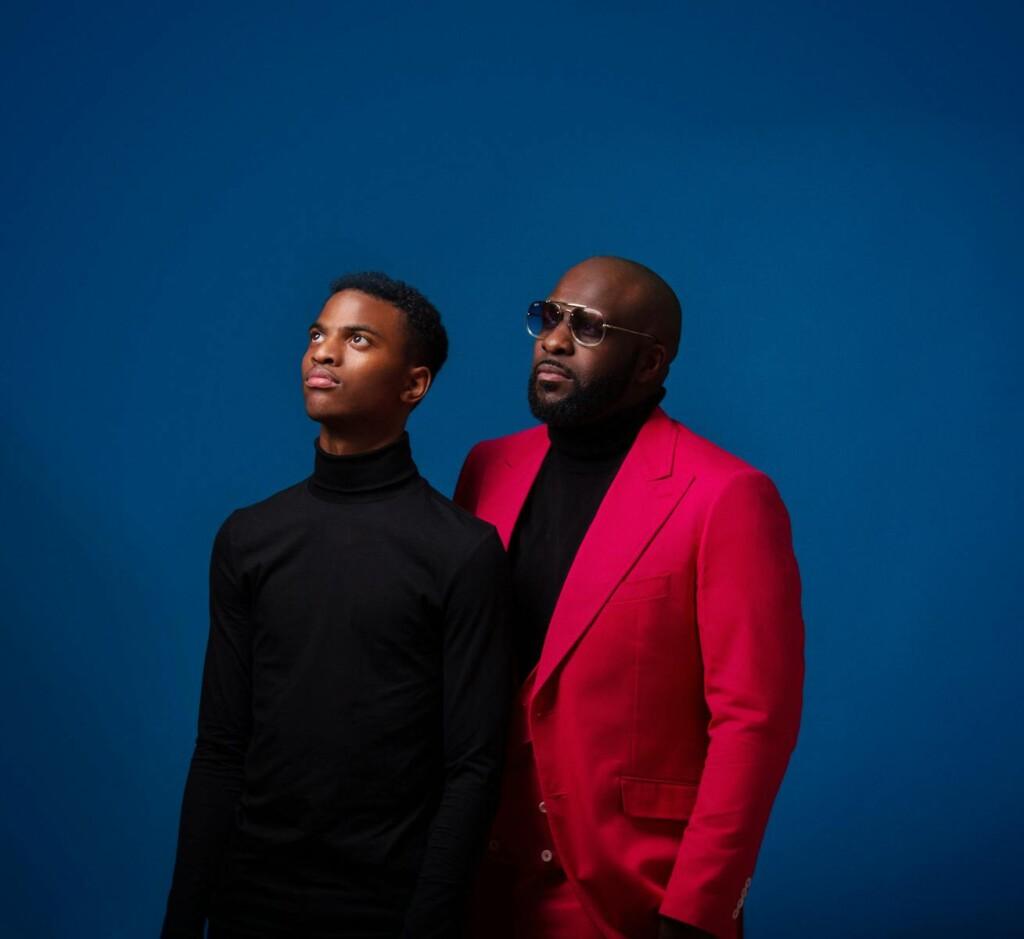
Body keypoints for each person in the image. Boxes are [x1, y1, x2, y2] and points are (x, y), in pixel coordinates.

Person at [454, 257, 804, 939]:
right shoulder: (487, 466)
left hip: (628, 891)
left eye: (586, 327)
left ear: (649, 363)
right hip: (478, 879)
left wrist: (699, 909)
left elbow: (754, 719)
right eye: (548, 316)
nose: (553, 340)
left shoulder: (727, 495)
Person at [162, 272, 513, 939]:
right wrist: (181, 920)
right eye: (317, 335)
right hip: (250, 902)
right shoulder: (250, 537)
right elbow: (220, 746)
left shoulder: (462, 553)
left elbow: (472, 768)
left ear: (414, 384)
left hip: (386, 909)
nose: (323, 353)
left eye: (357, 339)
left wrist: (428, 924)